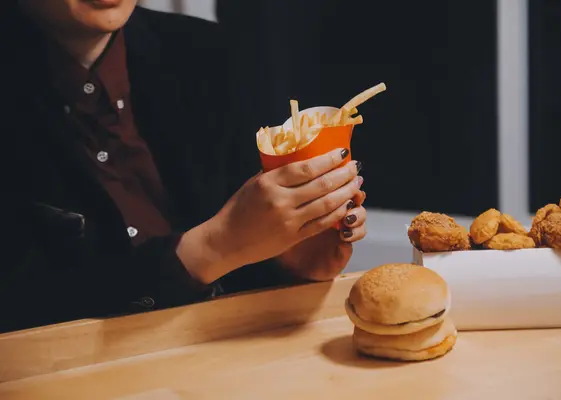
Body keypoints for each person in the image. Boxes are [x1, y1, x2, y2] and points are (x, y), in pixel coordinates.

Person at [0, 0, 367, 333]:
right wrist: (215, 247)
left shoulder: (203, 51)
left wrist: (290, 259)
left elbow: (246, 274)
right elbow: (32, 306)